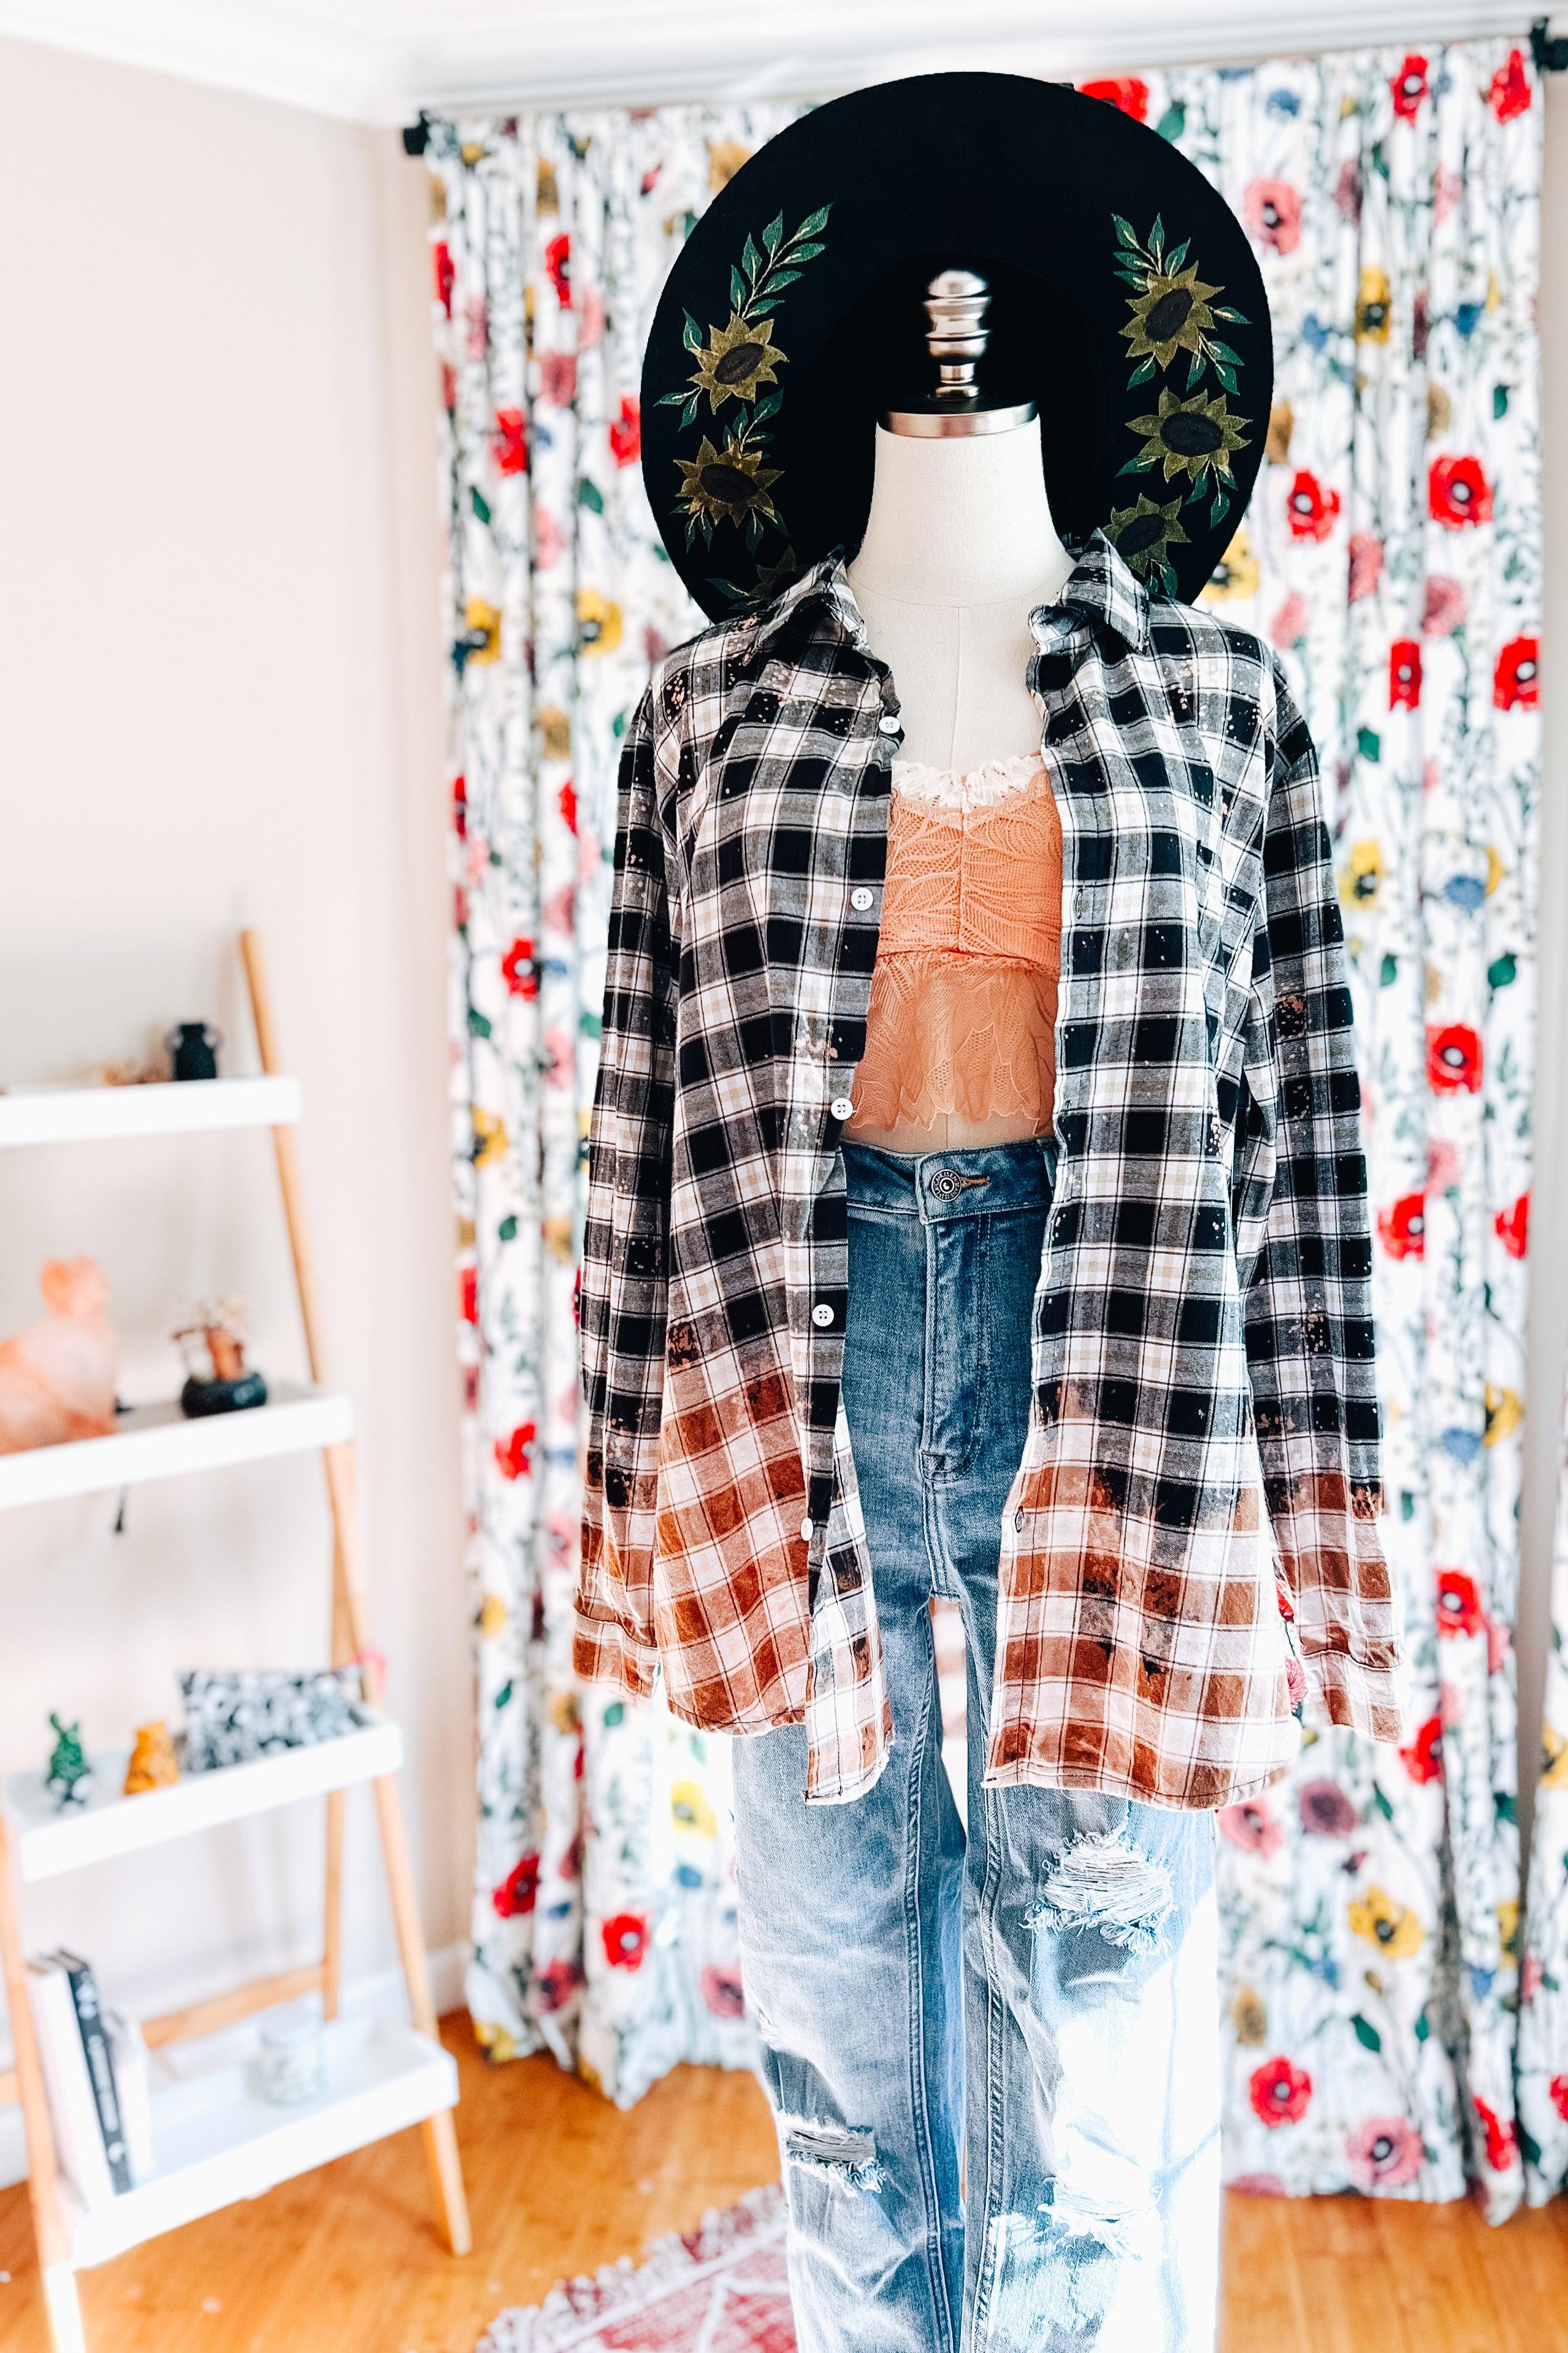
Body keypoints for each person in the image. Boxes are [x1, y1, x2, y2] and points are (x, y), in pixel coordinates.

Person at [577, 73, 1401, 2352]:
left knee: (1089, 2062)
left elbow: (1307, 1142)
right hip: (795, 1385)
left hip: (1118, 1386)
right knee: (849, 2055)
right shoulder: (702, 718)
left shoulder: (1225, 705)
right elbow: (637, 1135)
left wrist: (1328, 1531)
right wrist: (631, 1510)